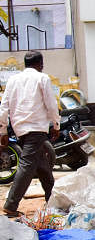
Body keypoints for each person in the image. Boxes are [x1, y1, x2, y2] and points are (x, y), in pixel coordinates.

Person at [0, 51, 60, 219]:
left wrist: (3, 130)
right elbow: (51, 104)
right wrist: (56, 124)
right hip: (36, 128)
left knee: (43, 166)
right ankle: (11, 205)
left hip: (20, 129)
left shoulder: (12, 80)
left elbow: (4, 107)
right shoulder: (42, 78)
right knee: (27, 166)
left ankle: (52, 200)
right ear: (40, 64)